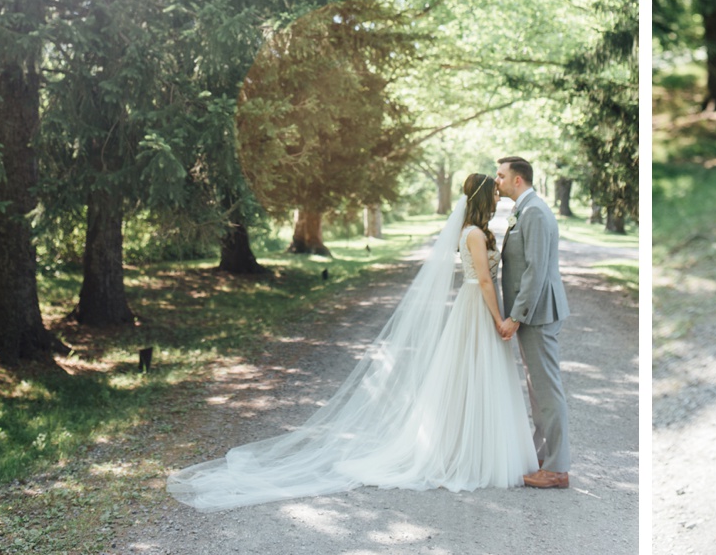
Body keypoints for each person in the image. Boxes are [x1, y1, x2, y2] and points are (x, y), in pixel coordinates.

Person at [166, 173, 536, 510]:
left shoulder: (477, 231)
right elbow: (484, 281)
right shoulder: (472, 234)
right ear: (483, 199)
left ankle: (477, 449)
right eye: (495, 195)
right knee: (464, 379)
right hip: (476, 310)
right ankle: (457, 453)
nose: (499, 198)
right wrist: (500, 319)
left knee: (476, 379)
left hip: (478, 308)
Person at [495, 155, 571, 489]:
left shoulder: (536, 212)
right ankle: (543, 456)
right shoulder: (524, 209)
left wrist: (516, 316)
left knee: (547, 390)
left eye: (500, 176)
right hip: (533, 313)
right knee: (537, 389)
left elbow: (535, 270)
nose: (495, 181)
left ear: (517, 180)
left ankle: (557, 468)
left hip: (538, 313)